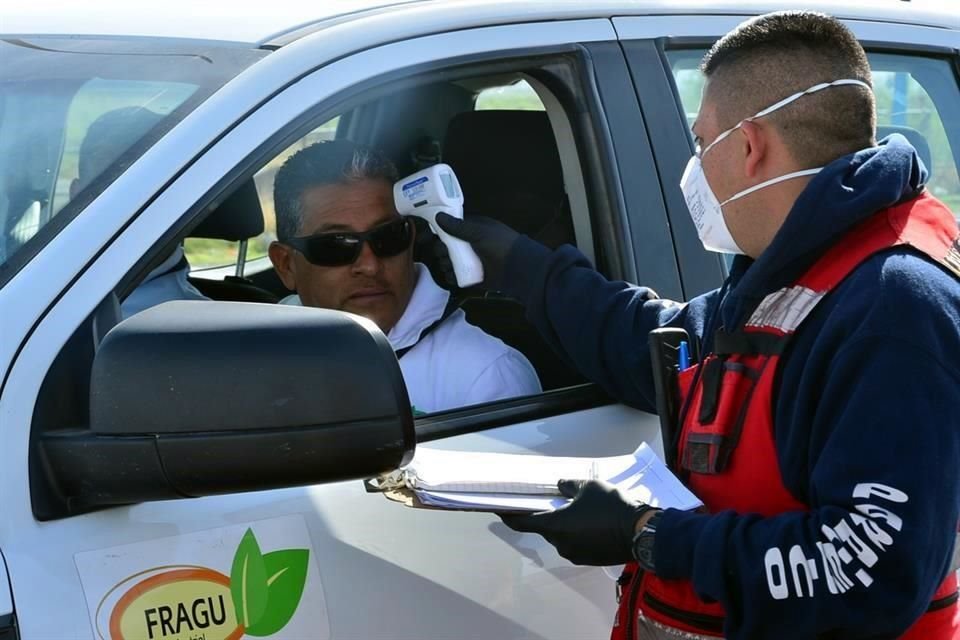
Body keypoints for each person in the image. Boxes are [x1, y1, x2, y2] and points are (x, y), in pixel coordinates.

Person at [437, 11, 960, 640]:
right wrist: (523, 267)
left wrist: (647, 535)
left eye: (699, 142)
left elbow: (867, 572)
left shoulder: (893, 306)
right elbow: (664, 343)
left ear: (747, 146)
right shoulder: (789, 274)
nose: (694, 166)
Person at [267, 140, 541, 414]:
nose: (370, 266)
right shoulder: (263, 349)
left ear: (410, 240)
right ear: (286, 265)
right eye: (337, 245)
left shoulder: (486, 376)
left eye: (388, 237)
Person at [72, 106, 207, 319]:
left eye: (144, 191)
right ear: (75, 195)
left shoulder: (195, 330)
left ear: (180, 202)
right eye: (106, 186)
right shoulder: (26, 283)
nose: (128, 209)